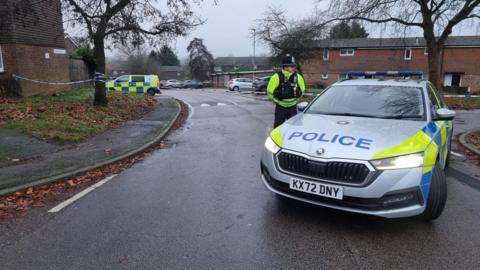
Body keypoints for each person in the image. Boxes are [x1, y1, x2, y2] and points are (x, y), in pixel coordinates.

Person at [267, 54, 306, 128]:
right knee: (278, 129)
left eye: (293, 66)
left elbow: (302, 91)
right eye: (291, 66)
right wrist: (278, 102)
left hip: (292, 108)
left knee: (293, 128)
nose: (293, 68)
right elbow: (269, 92)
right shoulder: (276, 77)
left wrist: (295, 101)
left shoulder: (298, 77)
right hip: (280, 108)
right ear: (285, 66)